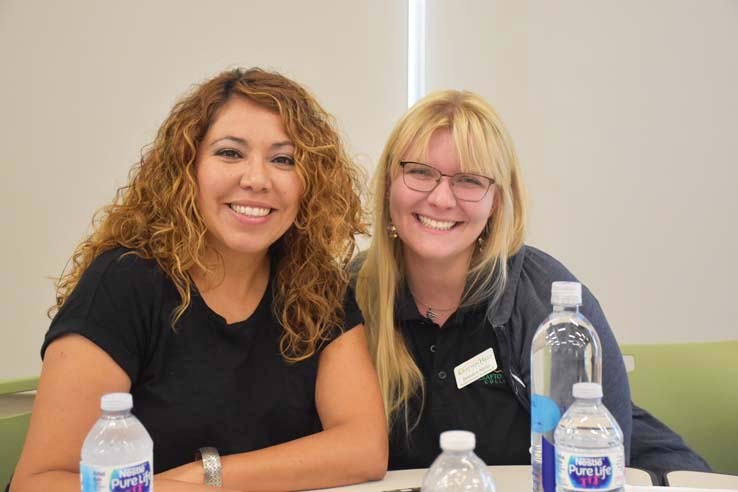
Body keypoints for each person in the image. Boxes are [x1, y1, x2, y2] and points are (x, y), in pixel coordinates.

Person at [10, 68, 387, 492]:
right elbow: (39, 482)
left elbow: (364, 448)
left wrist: (203, 476)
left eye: (283, 159)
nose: (256, 179)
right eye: (230, 153)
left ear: (310, 184)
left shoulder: (316, 286)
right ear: (186, 168)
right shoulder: (123, 283)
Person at [353, 90, 708, 479]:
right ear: (390, 183)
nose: (440, 198)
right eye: (420, 172)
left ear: (497, 204)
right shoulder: (347, 294)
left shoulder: (544, 298)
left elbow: (595, 467)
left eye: (469, 180)